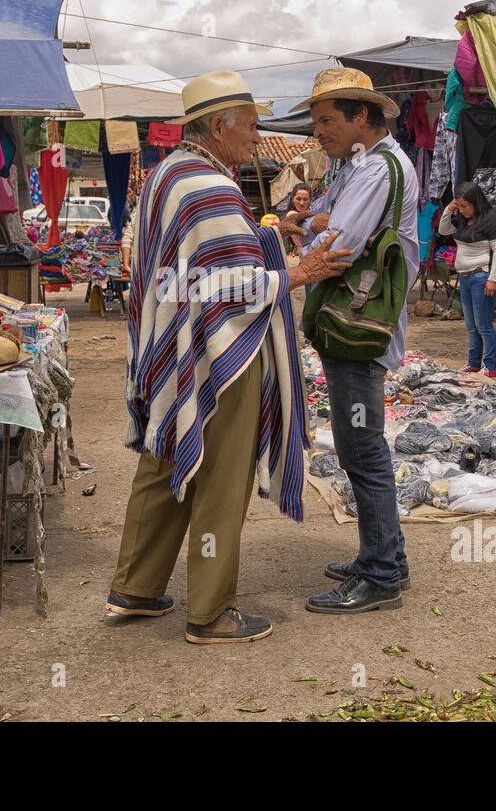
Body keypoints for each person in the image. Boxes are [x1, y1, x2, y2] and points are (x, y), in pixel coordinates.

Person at [107, 71, 353, 643]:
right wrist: (298, 272)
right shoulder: (211, 186)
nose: (256, 134)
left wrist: (270, 232)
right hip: (222, 350)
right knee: (221, 473)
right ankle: (212, 612)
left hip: (174, 347)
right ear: (217, 126)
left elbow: (202, 260)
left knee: (166, 455)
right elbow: (221, 284)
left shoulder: (170, 173)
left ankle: (137, 588)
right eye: (249, 124)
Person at [286, 67, 420, 615]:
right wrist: (315, 222)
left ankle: (381, 575)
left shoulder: (374, 173)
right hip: (355, 324)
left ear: (361, 116)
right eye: (316, 122)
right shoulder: (358, 166)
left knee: (361, 449)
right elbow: (328, 219)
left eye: (326, 121)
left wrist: (305, 240)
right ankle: (387, 556)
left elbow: (338, 243)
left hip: (360, 331)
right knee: (358, 446)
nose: (317, 132)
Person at [439, 181, 496, 377]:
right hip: (464, 277)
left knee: (483, 324)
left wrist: (493, 279)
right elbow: (443, 230)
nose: (462, 210)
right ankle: (474, 363)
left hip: (481, 277)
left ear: (476, 202)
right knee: (470, 324)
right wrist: (449, 210)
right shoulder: (459, 219)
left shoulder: (491, 219)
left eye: (464, 206)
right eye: (459, 206)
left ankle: (490, 366)